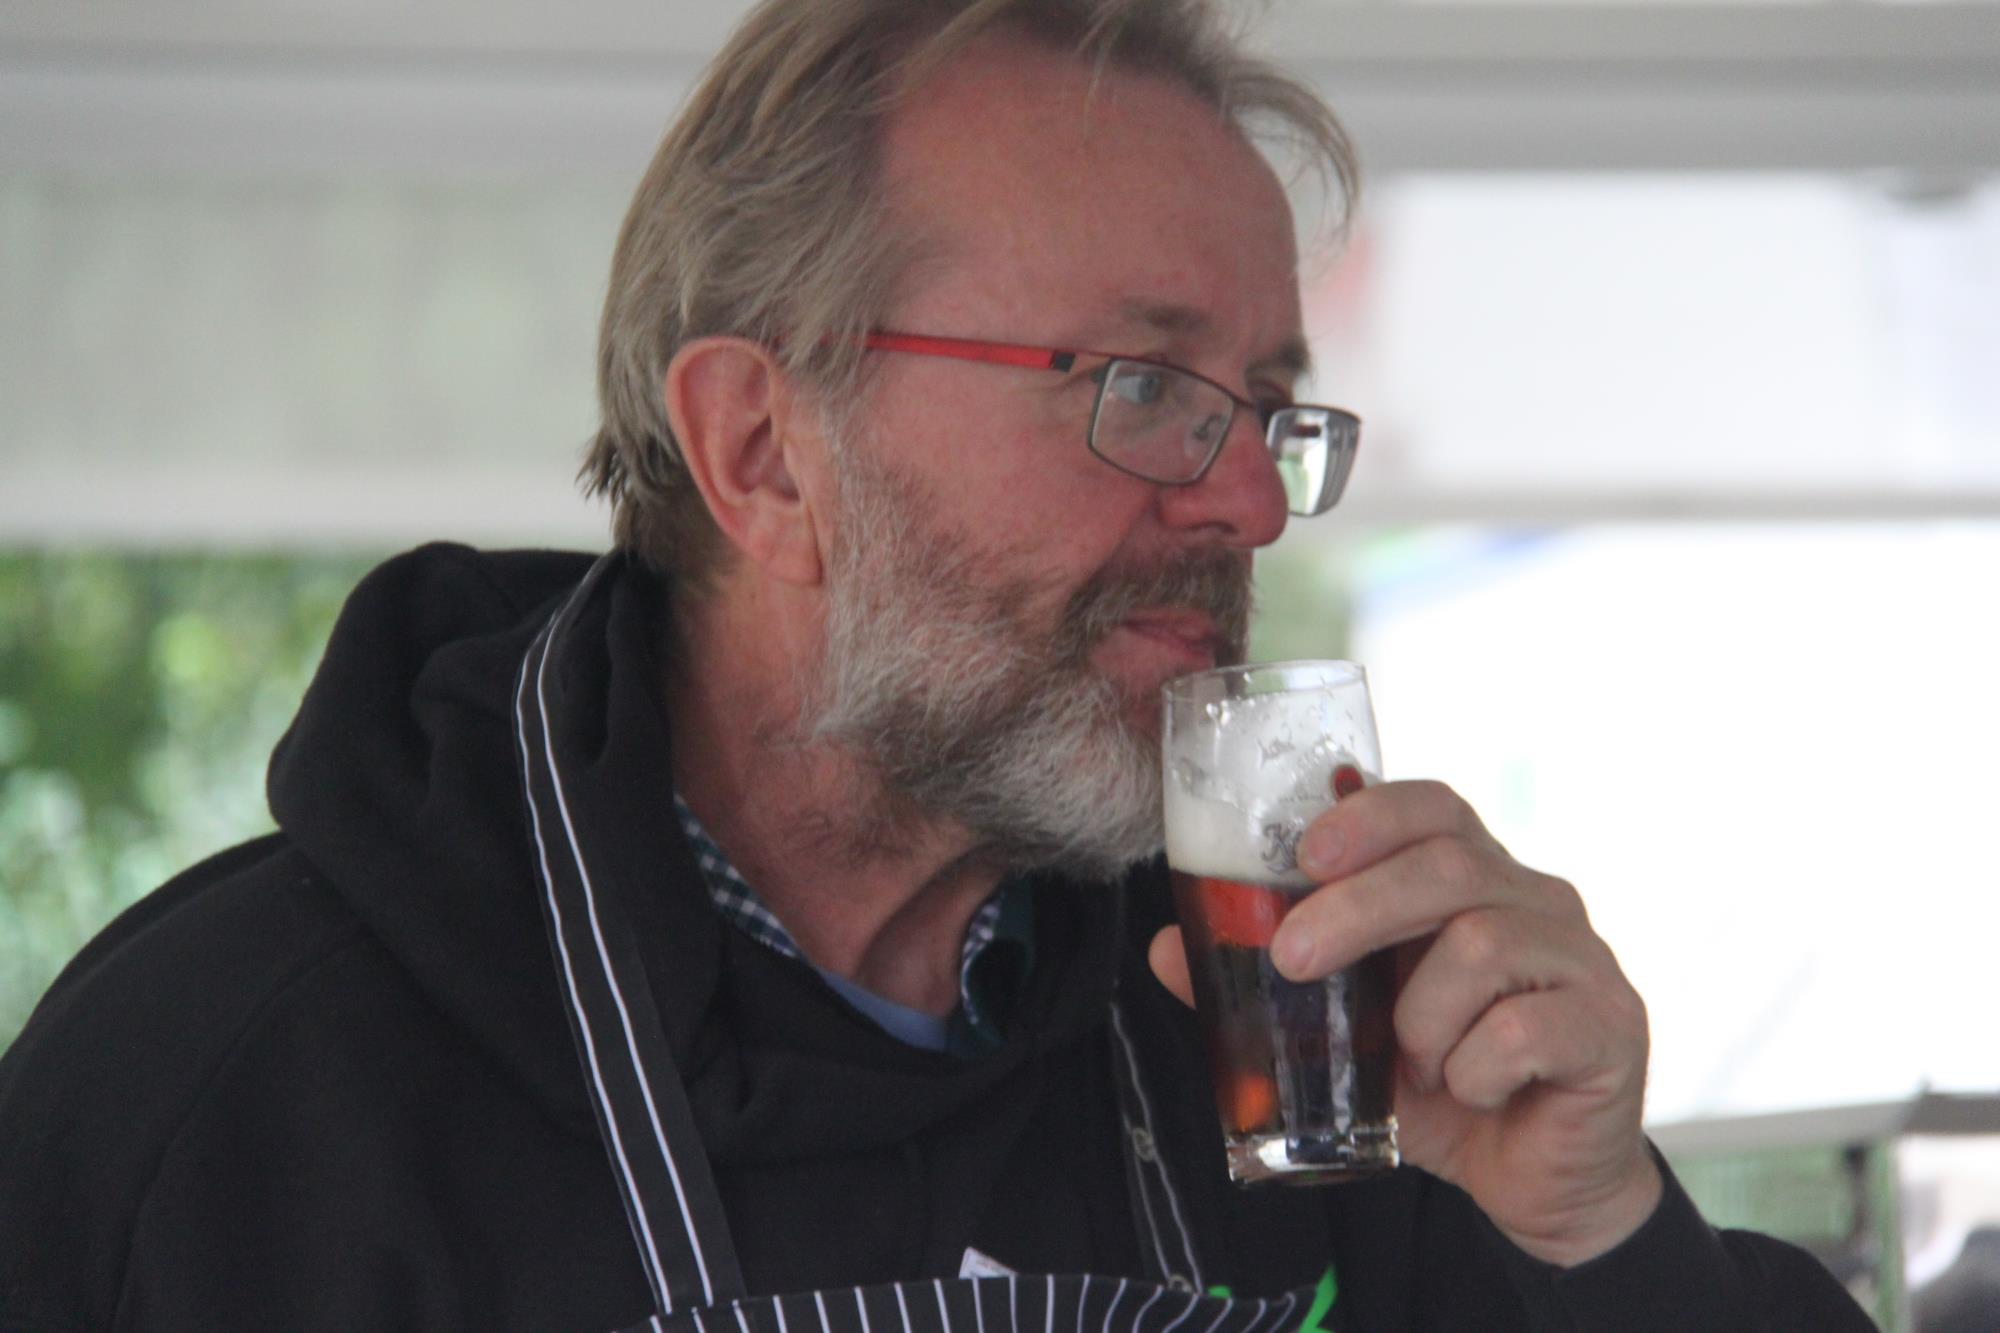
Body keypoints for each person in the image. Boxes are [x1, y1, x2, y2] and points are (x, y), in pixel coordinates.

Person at [0, 1, 1873, 1329]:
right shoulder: (219, 1101)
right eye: (1142, 385)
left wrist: (1600, 1238)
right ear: (762, 452)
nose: (1248, 499)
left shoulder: (1305, 1048)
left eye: (1267, 405)